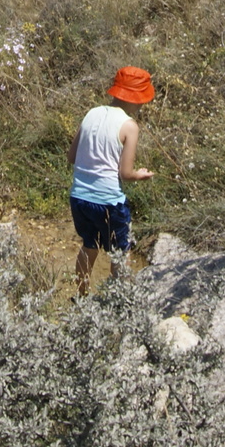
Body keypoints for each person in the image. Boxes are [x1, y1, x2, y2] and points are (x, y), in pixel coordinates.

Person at [68, 65, 156, 295]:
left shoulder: (91, 113)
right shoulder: (129, 126)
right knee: (120, 254)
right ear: (137, 99)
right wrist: (140, 174)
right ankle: (117, 304)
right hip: (109, 202)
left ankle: (82, 297)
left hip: (79, 197)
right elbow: (125, 174)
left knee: (89, 246)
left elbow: (71, 157)